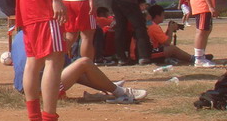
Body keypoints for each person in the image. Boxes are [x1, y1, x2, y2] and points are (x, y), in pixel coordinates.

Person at [10, 30, 147, 105]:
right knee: (84, 63)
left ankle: (112, 87)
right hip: (42, 90)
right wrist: (69, 41)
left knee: (78, 69)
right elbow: (59, 64)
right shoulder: (48, 34)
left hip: (24, 88)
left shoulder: (20, 36)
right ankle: (120, 92)